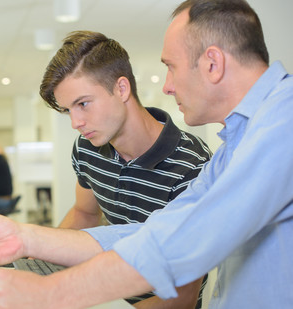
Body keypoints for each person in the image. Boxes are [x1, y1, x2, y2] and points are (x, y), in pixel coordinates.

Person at [0, 0, 293, 308]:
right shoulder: (239, 142)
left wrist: (48, 294)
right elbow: (154, 233)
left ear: (213, 63)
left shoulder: (283, 124)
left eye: (171, 66)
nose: (167, 86)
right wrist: (24, 237)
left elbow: (177, 247)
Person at [42, 31, 211, 308]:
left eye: (83, 104)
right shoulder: (87, 148)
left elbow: (182, 299)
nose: (76, 122)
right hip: (110, 294)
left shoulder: (192, 165)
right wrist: (44, 262)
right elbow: (85, 213)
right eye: (68, 110)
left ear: (122, 89)